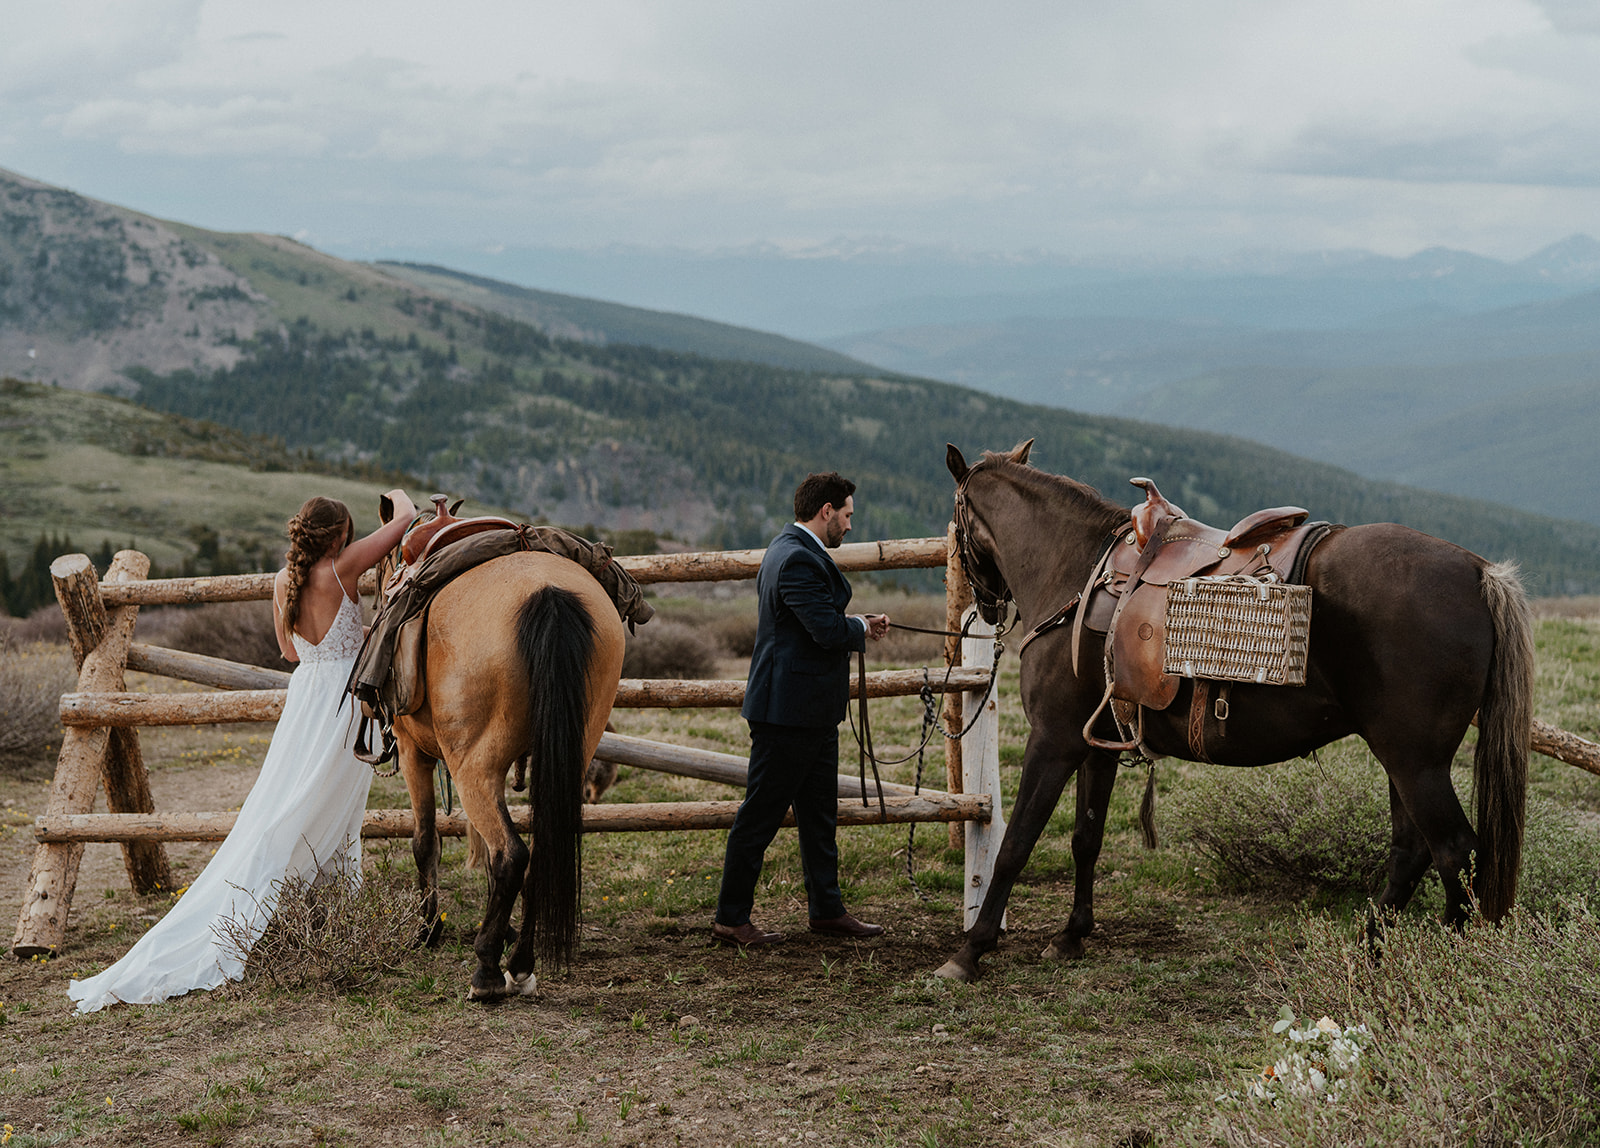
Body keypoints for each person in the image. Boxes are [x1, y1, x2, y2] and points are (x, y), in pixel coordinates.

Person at [69, 490, 418, 1013]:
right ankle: (318, 910)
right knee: (326, 807)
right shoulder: (345, 566)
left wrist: (348, 635)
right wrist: (398, 498)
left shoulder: (285, 581)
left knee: (292, 799)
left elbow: (289, 651)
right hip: (345, 701)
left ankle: (317, 912)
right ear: (341, 537)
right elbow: (409, 519)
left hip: (306, 698)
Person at [712, 472, 891, 947]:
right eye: (848, 515)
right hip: (787, 714)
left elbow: (819, 620)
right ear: (826, 511)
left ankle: (827, 910)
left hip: (810, 711)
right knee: (761, 815)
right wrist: (859, 628)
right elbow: (826, 632)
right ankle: (730, 918)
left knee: (819, 817)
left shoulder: (791, 550)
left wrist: (858, 622)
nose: (850, 526)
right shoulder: (795, 559)